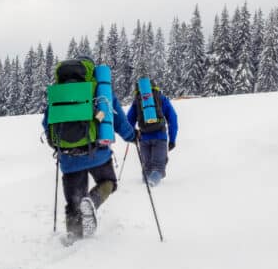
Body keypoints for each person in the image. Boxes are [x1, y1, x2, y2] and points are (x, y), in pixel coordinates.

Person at [42, 62, 137, 241]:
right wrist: (132, 136)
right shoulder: (98, 89)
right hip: (97, 153)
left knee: (73, 203)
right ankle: (92, 201)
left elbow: (47, 122)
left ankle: (73, 238)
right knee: (108, 182)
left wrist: (56, 146)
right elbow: (116, 119)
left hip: (69, 158)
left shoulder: (58, 91)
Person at [126, 79, 179, 186]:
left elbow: (128, 120)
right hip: (160, 137)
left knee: (147, 168)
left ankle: (141, 189)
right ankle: (151, 186)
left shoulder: (138, 101)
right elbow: (173, 119)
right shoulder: (161, 98)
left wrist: (133, 135)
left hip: (143, 138)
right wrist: (172, 139)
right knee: (158, 168)